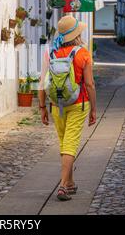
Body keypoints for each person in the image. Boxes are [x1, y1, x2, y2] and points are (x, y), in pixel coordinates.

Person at [39, 14, 97, 201]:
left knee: (65, 143)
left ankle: (70, 182)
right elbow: (89, 85)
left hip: (57, 105)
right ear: (77, 34)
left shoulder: (51, 52)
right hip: (78, 104)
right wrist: (94, 109)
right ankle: (63, 186)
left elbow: (42, 82)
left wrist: (42, 107)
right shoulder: (83, 53)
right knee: (70, 144)